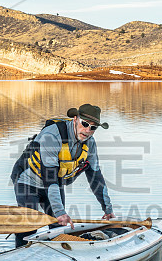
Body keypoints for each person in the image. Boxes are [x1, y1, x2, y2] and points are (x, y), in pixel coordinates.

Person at [10, 104, 114, 247]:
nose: (88, 130)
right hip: (28, 181)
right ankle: (20, 254)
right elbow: (49, 176)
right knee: (30, 226)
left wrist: (107, 209)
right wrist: (60, 212)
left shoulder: (90, 144)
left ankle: (56, 258)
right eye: (85, 124)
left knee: (58, 229)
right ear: (75, 119)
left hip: (54, 183)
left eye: (93, 127)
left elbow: (96, 177)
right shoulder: (52, 136)